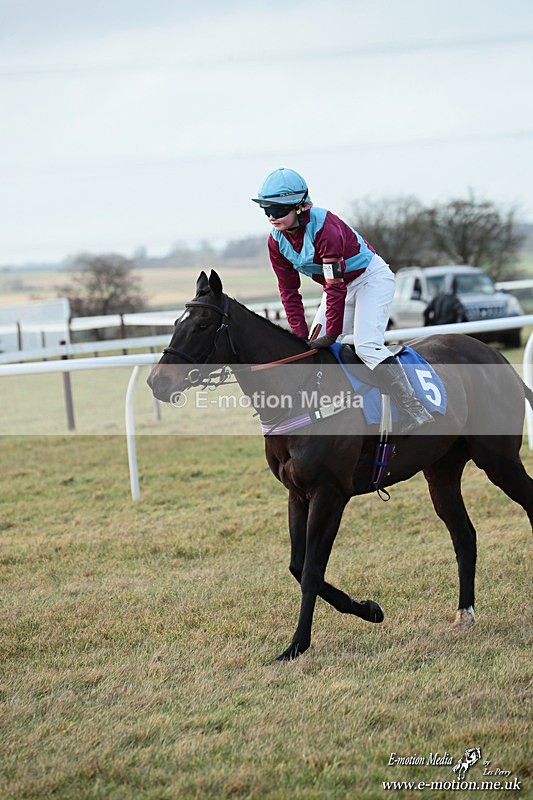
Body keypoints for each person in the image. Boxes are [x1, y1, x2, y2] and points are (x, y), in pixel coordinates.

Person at [251, 167, 433, 433]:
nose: (271, 217)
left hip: (370, 279)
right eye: (266, 210)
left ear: (300, 207)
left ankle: (414, 407)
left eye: (278, 210)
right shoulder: (275, 242)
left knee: (367, 345)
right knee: (309, 349)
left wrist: (333, 333)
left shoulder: (326, 228)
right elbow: (289, 292)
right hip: (338, 286)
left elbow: (334, 287)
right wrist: (301, 337)